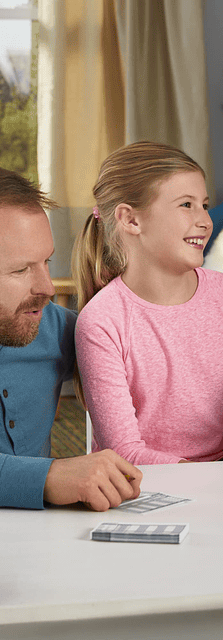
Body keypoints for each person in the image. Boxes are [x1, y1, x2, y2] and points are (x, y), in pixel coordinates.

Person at [73, 141, 223, 465]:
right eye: (186, 205)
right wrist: (206, 485)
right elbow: (124, 450)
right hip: (142, 485)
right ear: (131, 220)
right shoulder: (101, 320)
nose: (205, 220)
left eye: (205, 205)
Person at [0, 168, 142, 510]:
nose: (47, 288)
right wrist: (48, 478)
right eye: (21, 270)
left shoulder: (58, 328)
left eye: (46, 262)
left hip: (42, 543)